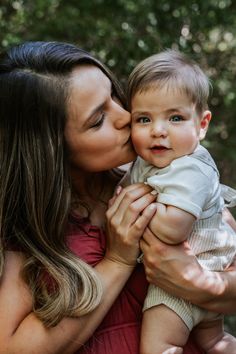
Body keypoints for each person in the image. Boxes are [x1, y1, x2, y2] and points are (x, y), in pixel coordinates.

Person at [0, 41, 235, 354]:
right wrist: (118, 260)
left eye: (114, 94)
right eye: (98, 120)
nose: (126, 115)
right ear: (51, 149)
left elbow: (225, 255)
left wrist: (195, 284)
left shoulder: (167, 173)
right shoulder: (32, 227)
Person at [127, 49, 236, 353]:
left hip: (186, 278)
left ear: (202, 125)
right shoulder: (156, 161)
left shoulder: (189, 169)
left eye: (175, 118)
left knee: (159, 346)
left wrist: (133, 204)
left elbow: (173, 229)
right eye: (144, 119)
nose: (158, 131)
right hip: (209, 273)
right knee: (214, 340)